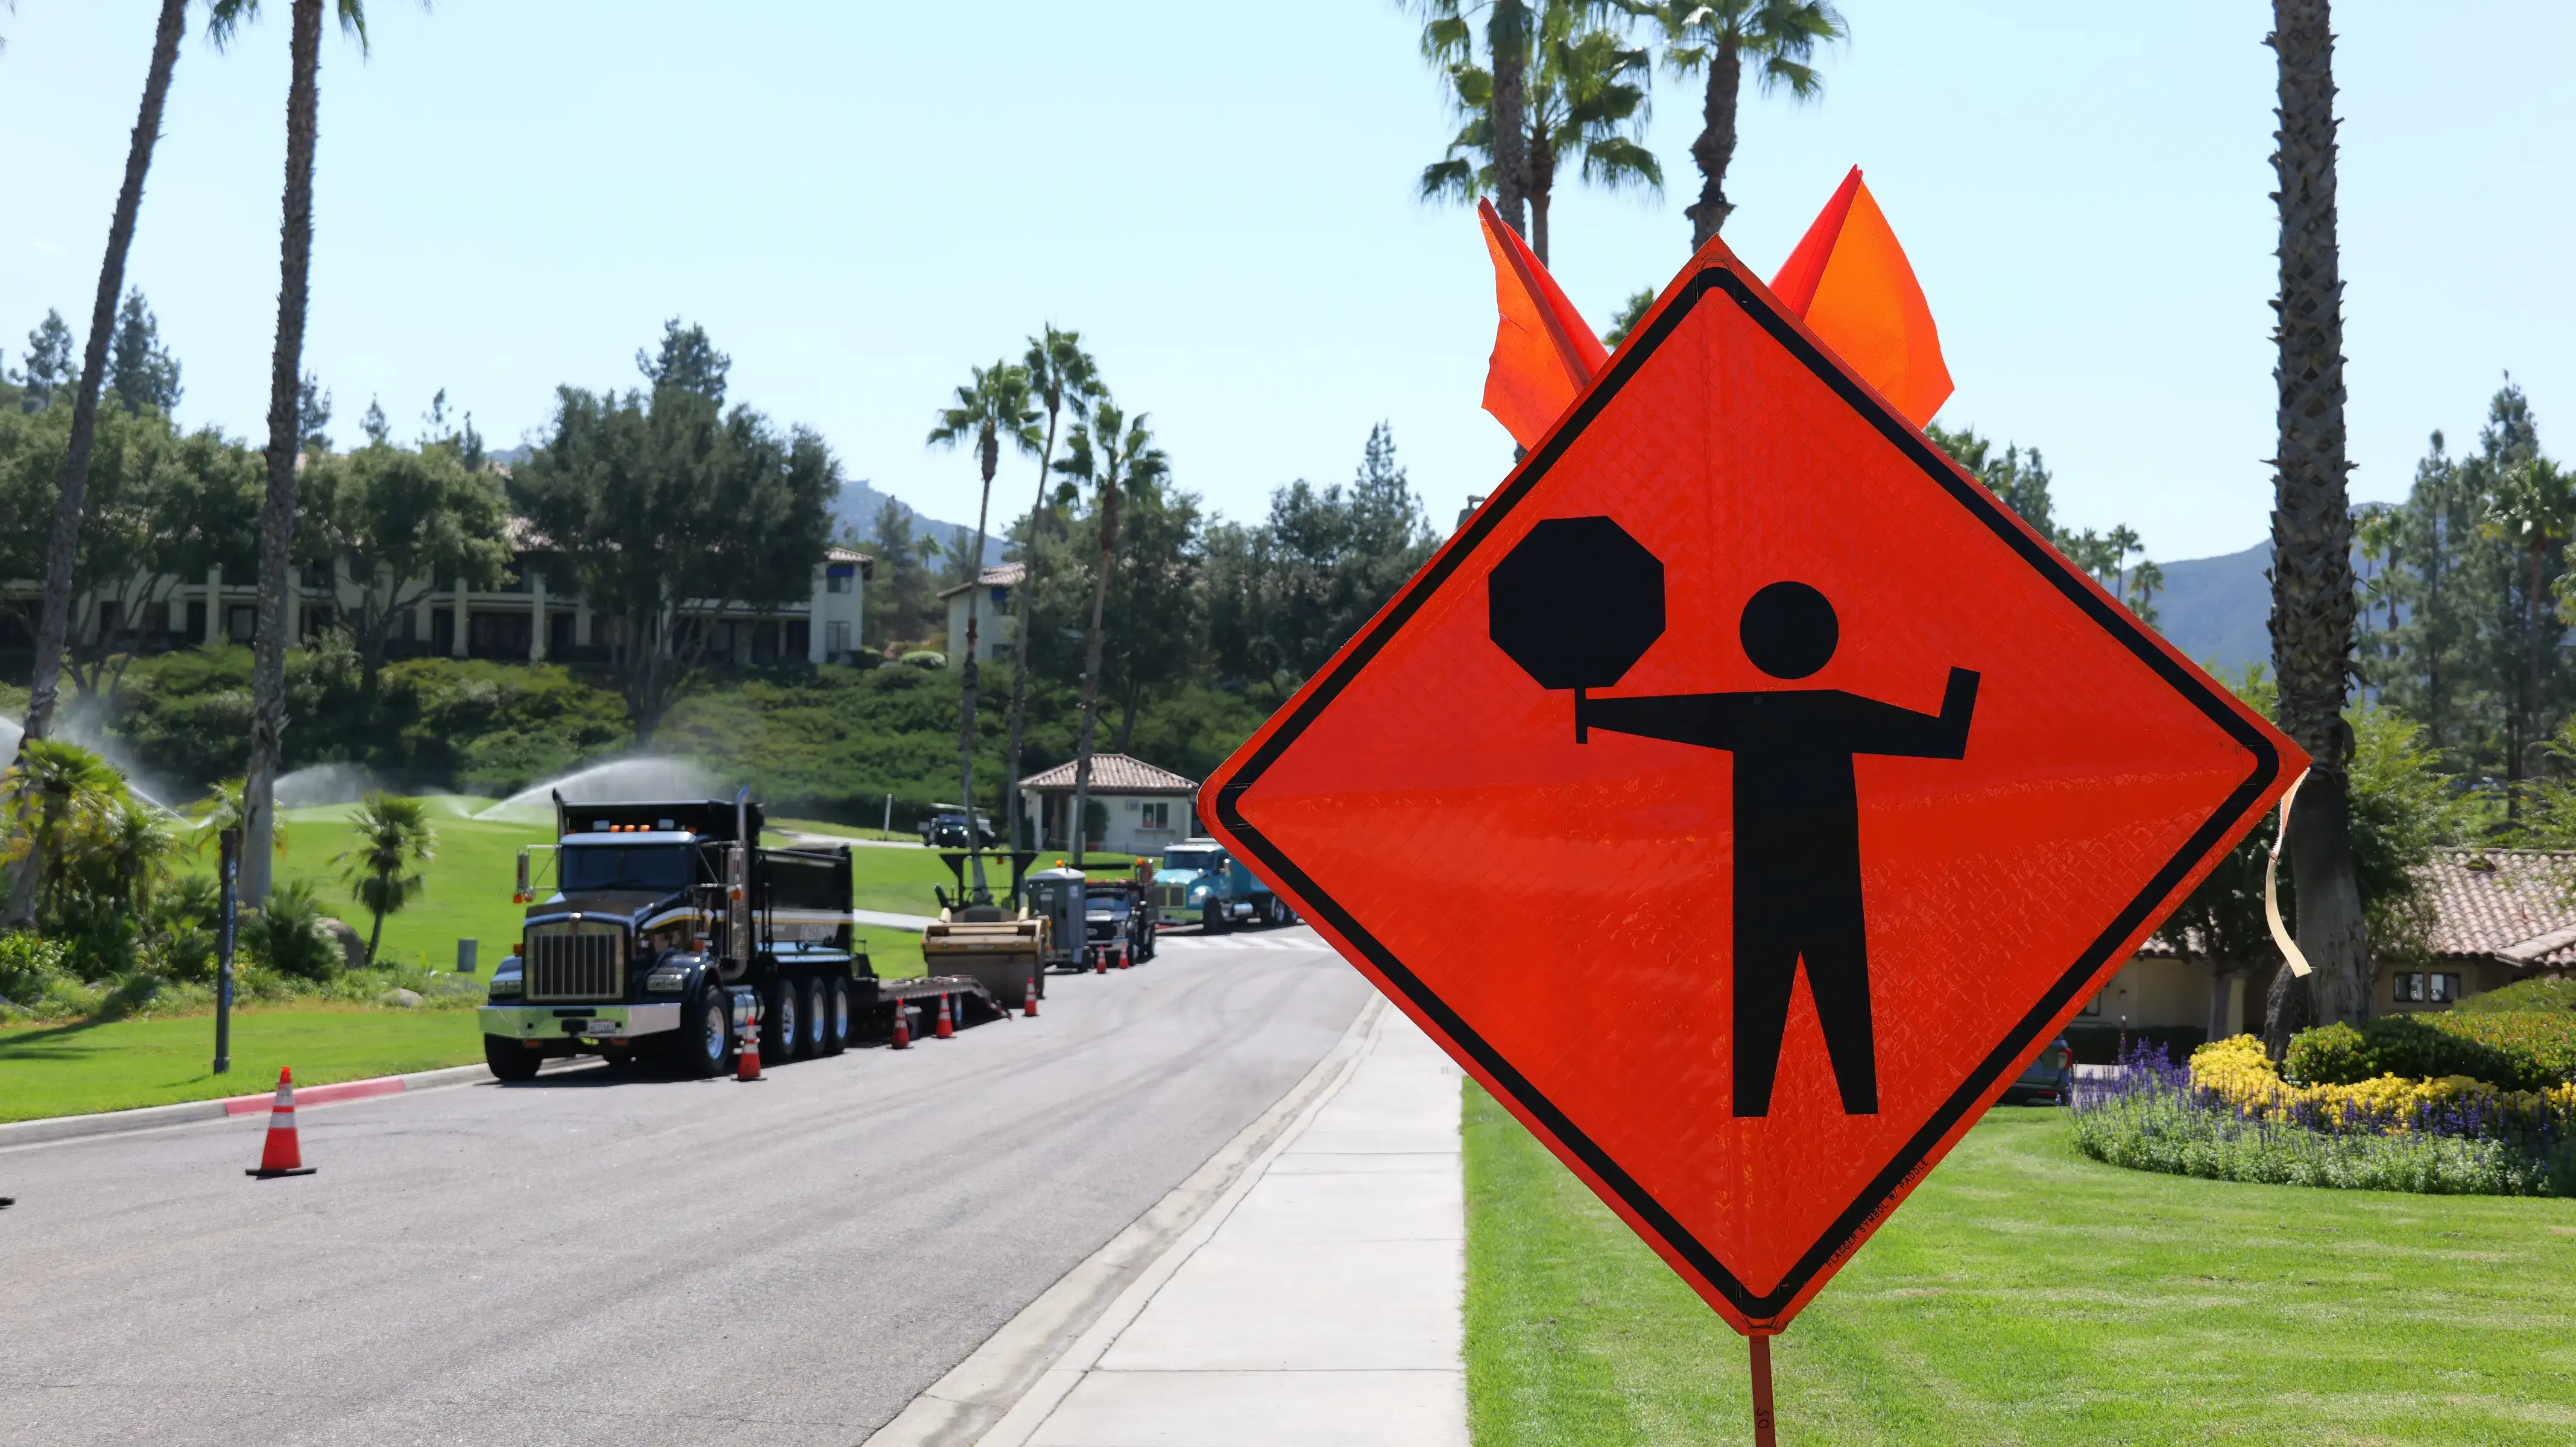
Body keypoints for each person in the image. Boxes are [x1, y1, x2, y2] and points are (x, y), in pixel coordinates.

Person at [1577, 581, 1977, 1116]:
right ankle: (1839, 1112)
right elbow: (1947, 736)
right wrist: (1965, 666)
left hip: (1772, 890)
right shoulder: (1833, 711)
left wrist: (1590, 708)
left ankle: (1815, 1114)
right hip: (1818, 889)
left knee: (1774, 1011)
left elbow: (1669, 715)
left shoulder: (1750, 715)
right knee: (1818, 1007)